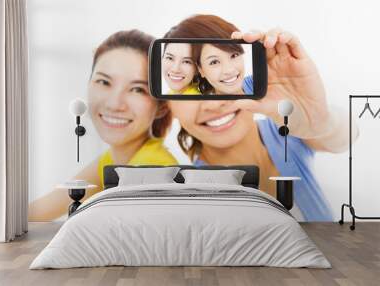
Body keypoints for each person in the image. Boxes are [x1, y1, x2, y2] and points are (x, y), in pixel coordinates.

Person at [166, 14, 359, 221]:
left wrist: (322, 123)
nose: (215, 103)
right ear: (169, 106)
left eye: (232, 56)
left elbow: (348, 135)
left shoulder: (280, 131)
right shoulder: (187, 197)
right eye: (190, 93)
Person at [29, 30, 178, 221]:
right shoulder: (114, 157)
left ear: (161, 107)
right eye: (104, 82)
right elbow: (44, 208)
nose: (114, 104)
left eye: (137, 89)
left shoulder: (153, 164)